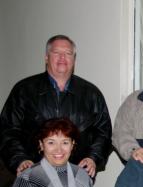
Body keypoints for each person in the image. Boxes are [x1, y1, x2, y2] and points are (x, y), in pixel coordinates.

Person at [0, 34, 112, 178]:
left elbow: (103, 132)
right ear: (46, 57)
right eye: (56, 53)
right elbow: (7, 130)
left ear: (74, 59)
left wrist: (93, 158)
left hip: (77, 176)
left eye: (68, 53)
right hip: (33, 176)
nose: (62, 58)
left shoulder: (91, 94)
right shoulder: (24, 90)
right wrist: (20, 159)